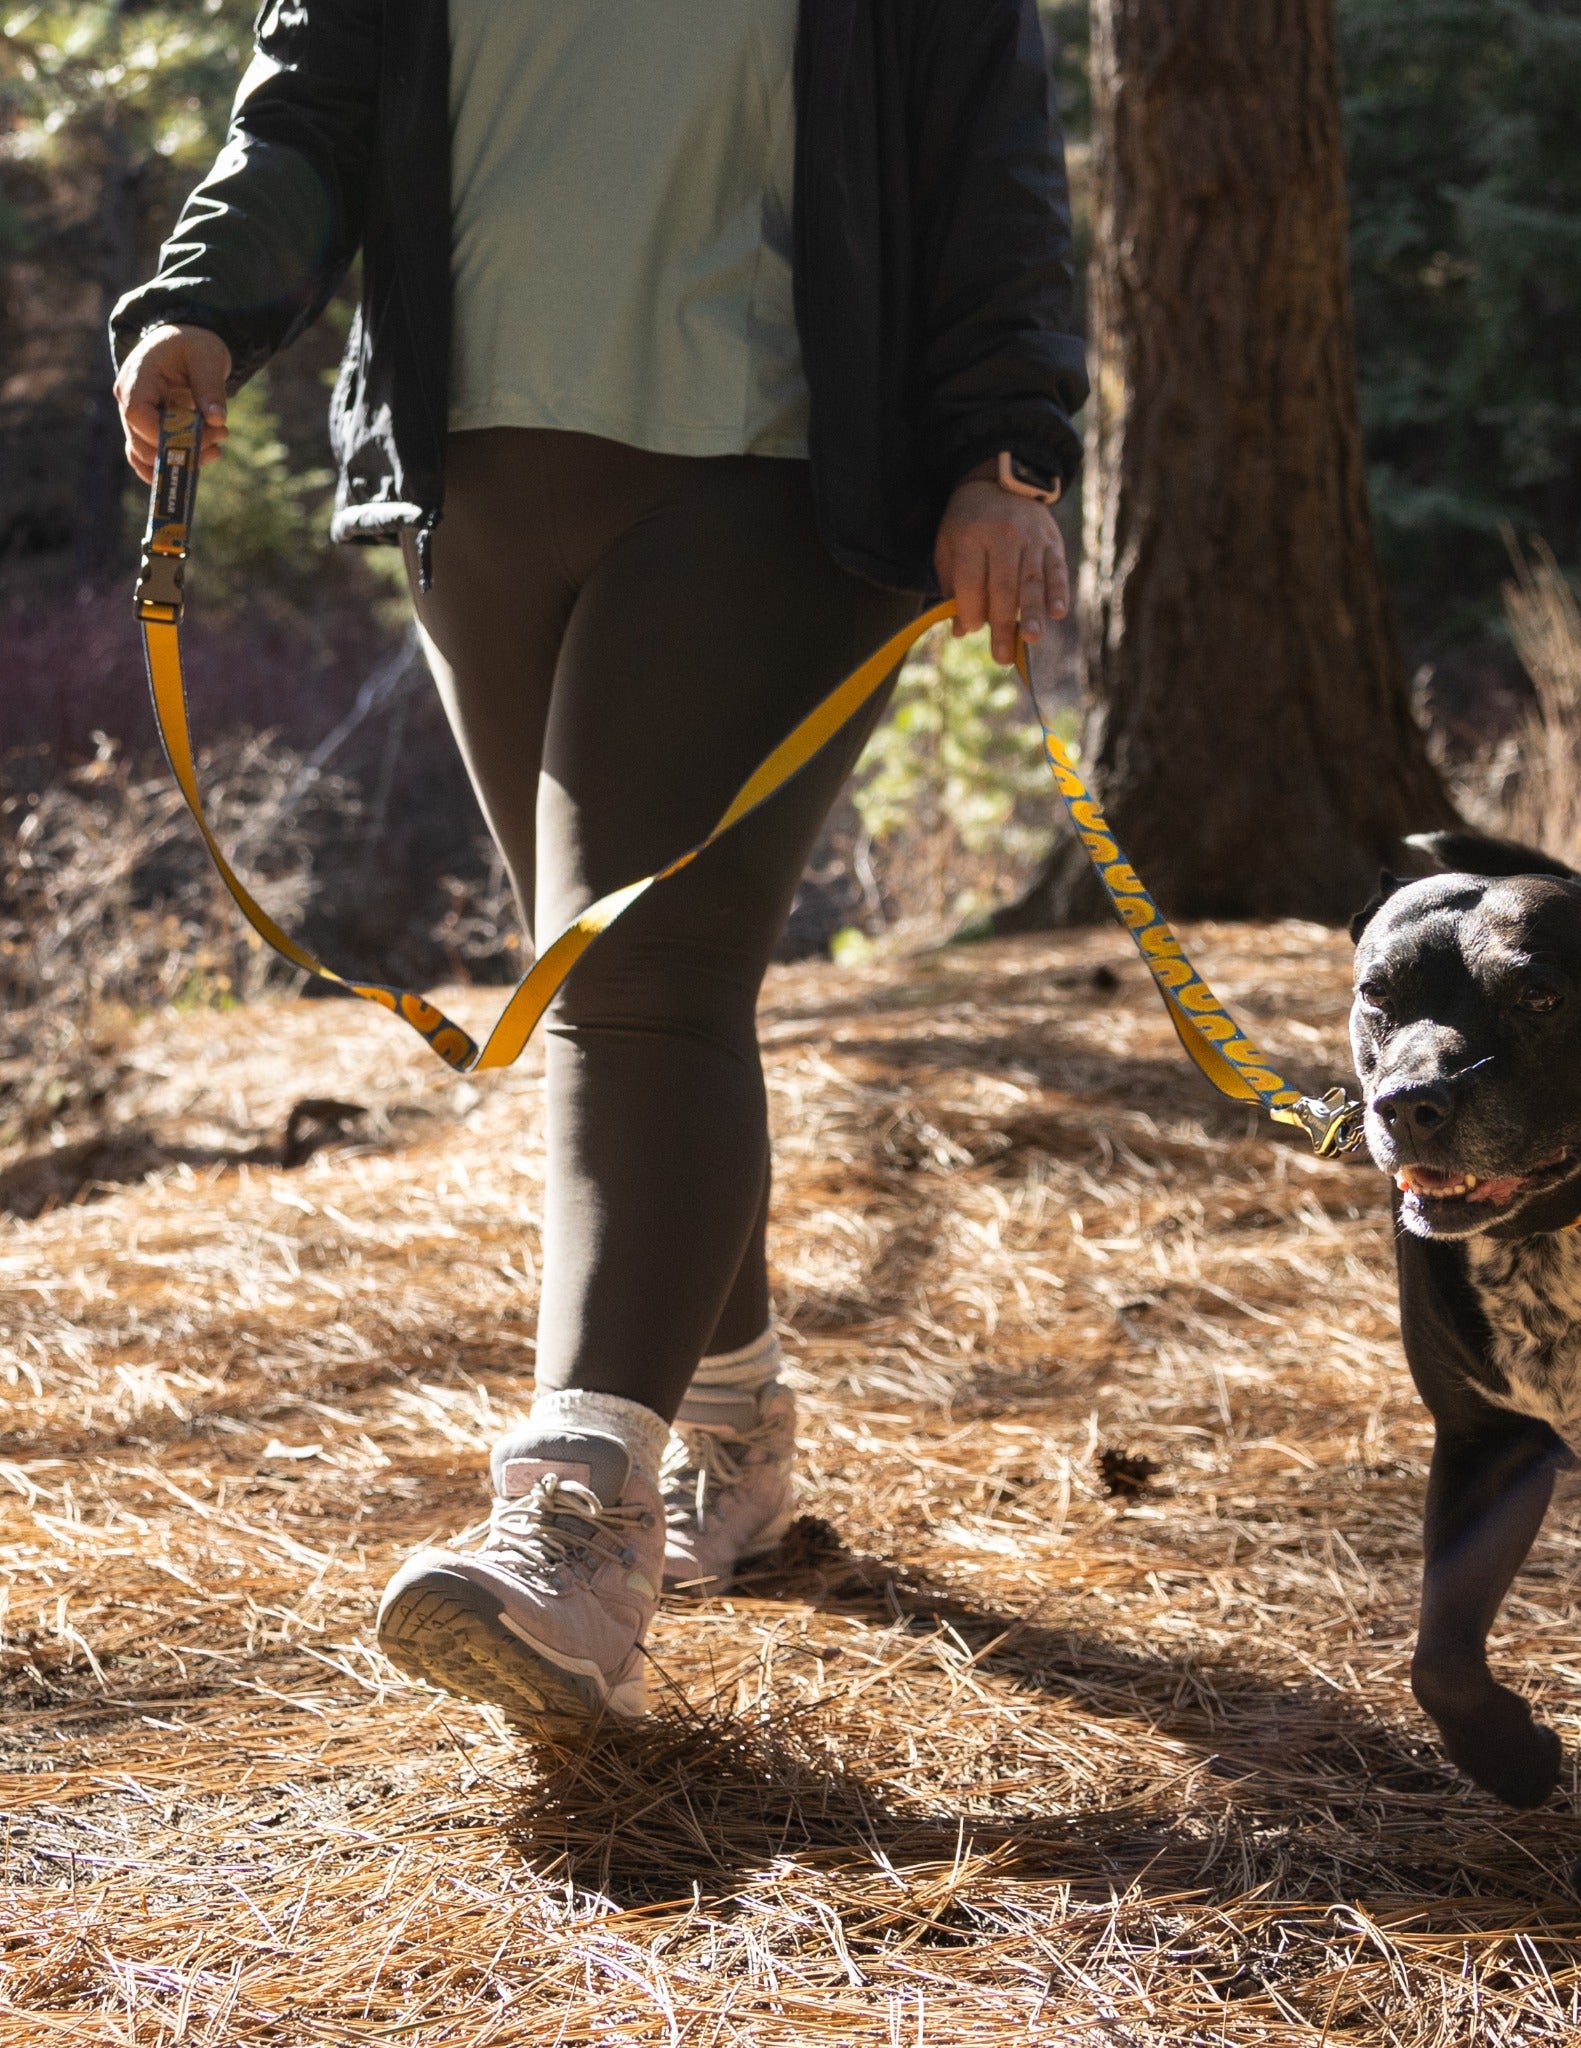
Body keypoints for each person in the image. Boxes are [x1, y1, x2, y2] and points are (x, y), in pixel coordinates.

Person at [111, 0, 1085, 1723]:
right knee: (624, 996)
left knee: (637, 996)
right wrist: (205, 300)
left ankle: (577, 1527)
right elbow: (311, 104)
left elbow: (985, 158)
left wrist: (1004, 449)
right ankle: (733, 1420)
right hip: (475, 477)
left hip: (779, 471)